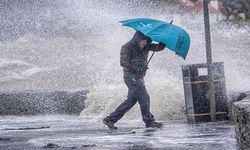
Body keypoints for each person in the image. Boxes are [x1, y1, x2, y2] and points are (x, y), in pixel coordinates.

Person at [102, 31, 166, 130]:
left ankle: (110, 120)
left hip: (139, 78)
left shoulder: (146, 46)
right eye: (143, 41)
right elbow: (123, 63)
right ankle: (149, 122)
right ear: (137, 39)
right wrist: (137, 68)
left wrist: (163, 39)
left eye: (146, 41)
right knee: (145, 98)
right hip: (131, 77)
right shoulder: (127, 47)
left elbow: (159, 48)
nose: (144, 43)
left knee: (130, 102)